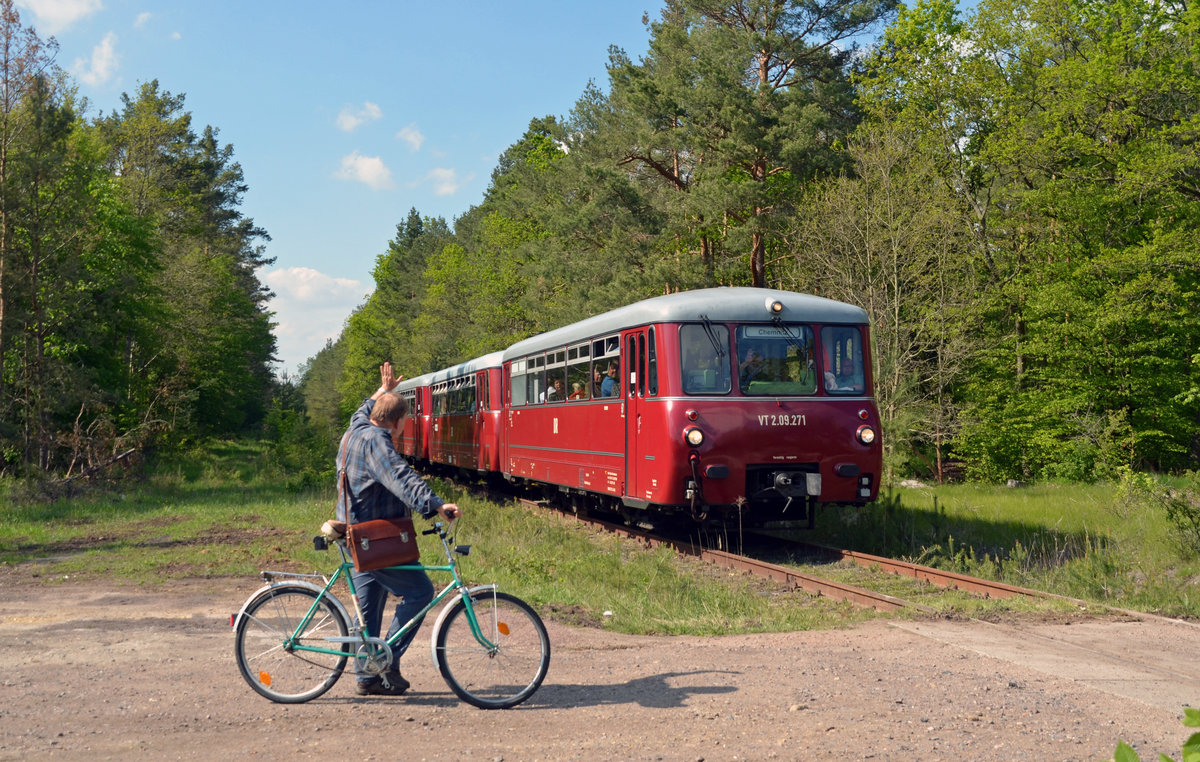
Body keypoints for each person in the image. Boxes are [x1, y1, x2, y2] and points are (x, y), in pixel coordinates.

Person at [336, 361, 463, 697]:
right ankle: (385, 660)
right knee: (420, 591)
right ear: (395, 423)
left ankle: (367, 677)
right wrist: (436, 505)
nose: (404, 429)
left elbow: (362, 408)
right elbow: (400, 477)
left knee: (368, 611)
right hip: (374, 539)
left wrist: (385, 390)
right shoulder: (378, 443)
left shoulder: (356, 428)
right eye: (404, 423)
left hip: (356, 533)